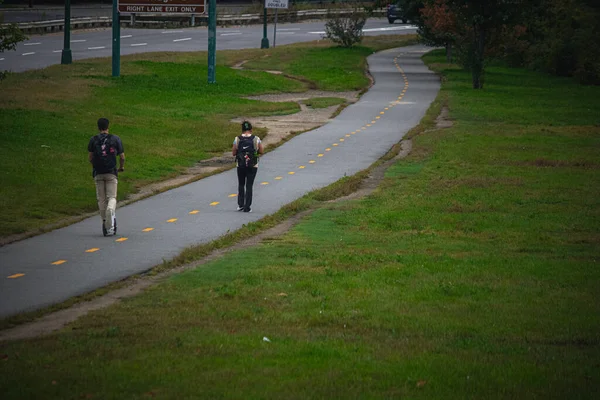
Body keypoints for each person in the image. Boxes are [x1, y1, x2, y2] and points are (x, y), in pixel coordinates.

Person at [88, 118, 125, 236]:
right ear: (108, 126)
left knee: (101, 199)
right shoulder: (115, 139)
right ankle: (110, 211)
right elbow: (122, 157)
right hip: (111, 172)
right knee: (112, 197)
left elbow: (90, 158)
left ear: (98, 127)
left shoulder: (93, 140)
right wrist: (121, 167)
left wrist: (95, 166)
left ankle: (105, 222)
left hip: (98, 173)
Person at [232, 121, 264, 213]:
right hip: (252, 165)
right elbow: (261, 151)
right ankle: (247, 207)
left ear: (242, 130)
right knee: (249, 185)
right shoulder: (256, 139)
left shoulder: (237, 139)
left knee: (241, 184)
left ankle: (240, 205)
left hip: (240, 165)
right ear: (251, 129)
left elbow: (234, 153)